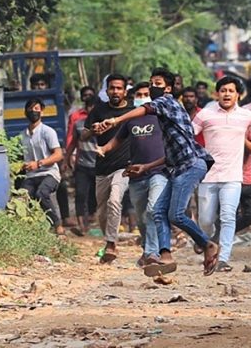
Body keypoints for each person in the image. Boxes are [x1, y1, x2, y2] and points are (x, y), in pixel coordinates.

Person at [93, 68, 220, 276]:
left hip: (191, 165)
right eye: (151, 83)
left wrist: (115, 120)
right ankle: (165, 255)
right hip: (175, 167)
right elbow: (171, 155)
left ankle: (208, 245)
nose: (152, 87)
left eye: (157, 83)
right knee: (158, 211)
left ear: (168, 88)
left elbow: (147, 108)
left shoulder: (167, 102)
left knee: (176, 214)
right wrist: (146, 167)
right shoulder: (166, 116)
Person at [192, 77, 251, 272]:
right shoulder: (205, 115)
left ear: (238, 95)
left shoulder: (246, 116)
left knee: (228, 217)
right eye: (223, 90)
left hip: (233, 177)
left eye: (231, 91)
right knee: (206, 221)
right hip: (208, 176)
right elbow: (189, 135)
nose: (226, 94)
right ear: (217, 94)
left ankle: (223, 258)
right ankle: (208, 240)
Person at [98, 82, 173, 275]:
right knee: (141, 218)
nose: (142, 96)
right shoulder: (130, 120)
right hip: (136, 175)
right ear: (133, 98)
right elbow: (117, 140)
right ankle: (147, 250)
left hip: (159, 171)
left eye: (146, 93)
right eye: (139, 94)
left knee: (152, 210)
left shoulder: (161, 116)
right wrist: (103, 149)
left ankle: (152, 253)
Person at [82, 74, 135, 263]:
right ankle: (108, 240)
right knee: (102, 214)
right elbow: (83, 136)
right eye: (112, 88)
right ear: (107, 91)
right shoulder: (99, 110)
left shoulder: (132, 111)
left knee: (115, 200)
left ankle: (112, 245)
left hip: (123, 167)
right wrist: (93, 130)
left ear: (125, 91)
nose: (115, 92)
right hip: (102, 167)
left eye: (119, 88)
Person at [20, 98, 64, 235]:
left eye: (37, 109)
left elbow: (58, 155)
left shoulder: (47, 132)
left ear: (42, 112)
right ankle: (29, 231)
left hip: (50, 173)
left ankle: (58, 226)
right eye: (30, 109)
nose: (33, 112)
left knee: (41, 193)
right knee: (21, 198)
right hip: (31, 175)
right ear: (25, 113)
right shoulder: (22, 135)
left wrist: (38, 163)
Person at [65, 93, 98, 235]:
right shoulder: (79, 124)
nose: (92, 110)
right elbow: (73, 143)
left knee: (95, 196)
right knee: (80, 194)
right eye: (90, 106)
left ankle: (93, 219)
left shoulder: (107, 124)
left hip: (100, 165)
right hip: (82, 165)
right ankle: (81, 225)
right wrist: (66, 159)